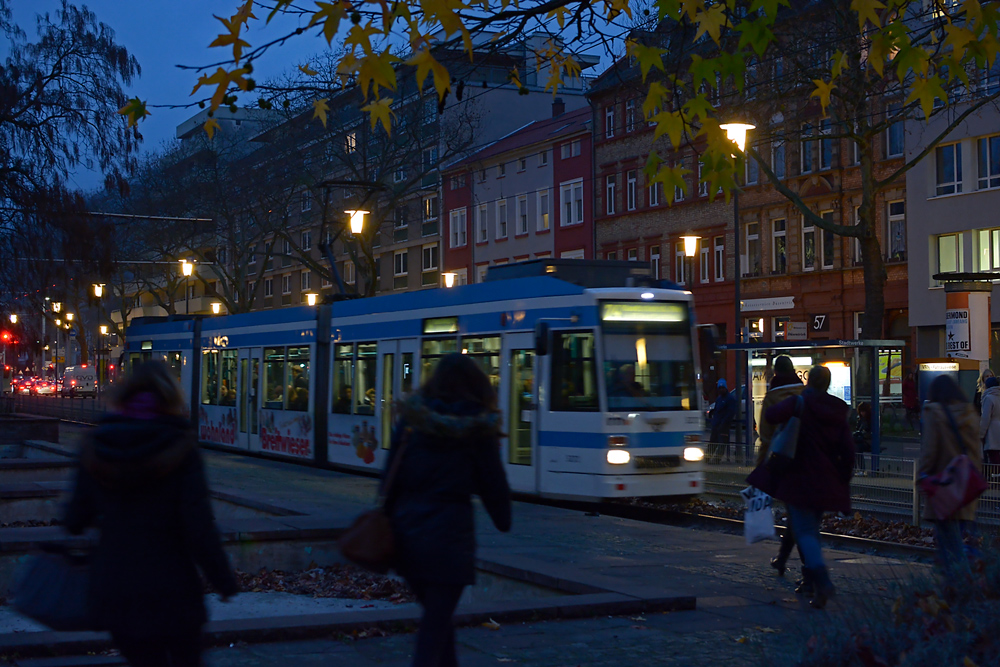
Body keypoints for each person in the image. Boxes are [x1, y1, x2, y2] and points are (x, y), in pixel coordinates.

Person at [64, 360, 237, 666]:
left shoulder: (96, 445)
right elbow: (199, 526)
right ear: (171, 395)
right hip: (173, 589)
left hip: (117, 590)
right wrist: (222, 579)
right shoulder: (181, 447)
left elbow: (75, 519)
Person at [384, 353, 511, 667]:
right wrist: (502, 518)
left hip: (408, 537)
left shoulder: (412, 423)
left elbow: (390, 478)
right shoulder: (477, 429)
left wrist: (386, 525)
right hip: (449, 541)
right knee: (435, 625)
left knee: (438, 620)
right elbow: (493, 485)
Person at [747, 365, 855, 609]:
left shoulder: (799, 403)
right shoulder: (837, 410)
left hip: (798, 478)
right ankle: (815, 590)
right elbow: (848, 452)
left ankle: (821, 580)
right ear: (827, 385)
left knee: (805, 532)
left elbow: (771, 415)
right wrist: (843, 480)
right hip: (825, 481)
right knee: (812, 530)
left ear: (809, 382)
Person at [919, 375, 981, 571]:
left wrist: (922, 477)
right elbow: (976, 453)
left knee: (948, 546)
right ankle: (958, 585)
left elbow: (930, 451)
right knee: (954, 541)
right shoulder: (970, 414)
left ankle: (959, 589)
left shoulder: (935, 413)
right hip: (964, 488)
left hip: (943, 487)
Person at [753, 356, 804, 578]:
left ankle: (809, 570)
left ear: (775, 372)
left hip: (782, 461)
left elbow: (766, 436)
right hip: (806, 459)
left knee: (798, 515)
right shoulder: (805, 393)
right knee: (797, 512)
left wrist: (760, 469)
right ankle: (783, 559)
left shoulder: (772, 397)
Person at [708, 379, 737, 463]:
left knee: (721, 443)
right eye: (719, 388)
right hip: (717, 423)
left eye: (722, 388)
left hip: (723, 425)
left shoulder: (729, 399)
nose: (720, 390)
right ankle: (708, 458)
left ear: (725, 388)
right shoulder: (719, 398)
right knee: (713, 442)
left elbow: (730, 413)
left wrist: (724, 423)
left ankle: (716, 460)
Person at [979, 376, 1000, 470]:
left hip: (992, 432)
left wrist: (981, 434)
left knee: (993, 460)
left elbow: (985, 418)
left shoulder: (988, 398)